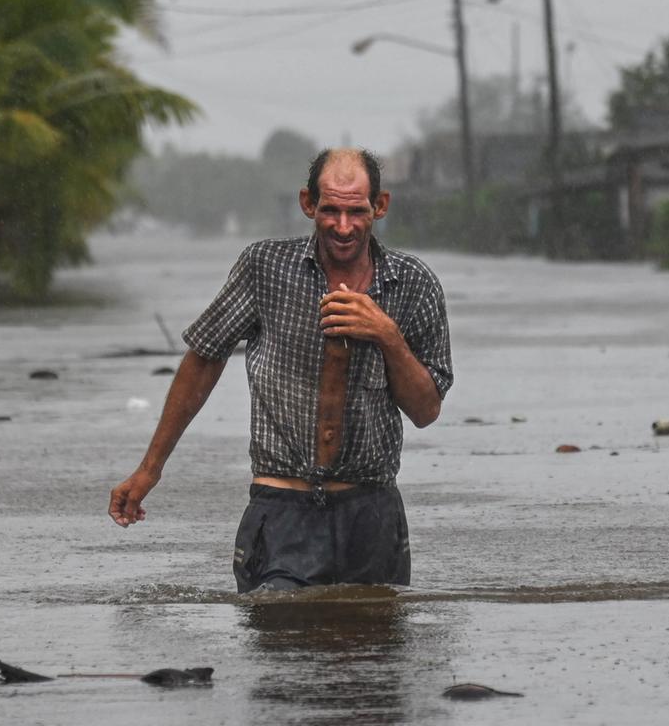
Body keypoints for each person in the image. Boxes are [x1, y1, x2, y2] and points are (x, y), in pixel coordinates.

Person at [108, 147, 453, 592]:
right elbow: (203, 359)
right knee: (279, 647)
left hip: (371, 511)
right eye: (330, 210)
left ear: (380, 206)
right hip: (282, 508)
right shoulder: (265, 268)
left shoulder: (413, 284)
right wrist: (149, 469)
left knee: (373, 653)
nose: (343, 227)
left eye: (356, 211)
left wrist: (386, 335)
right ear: (308, 204)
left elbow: (426, 411)